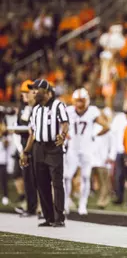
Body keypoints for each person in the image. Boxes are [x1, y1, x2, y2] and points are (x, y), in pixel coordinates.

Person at [20, 79, 69, 227]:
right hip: (38, 148)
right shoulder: (35, 109)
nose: (34, 92)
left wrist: (63, 135)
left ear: (47, 92)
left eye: (37, 89)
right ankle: (49, 217)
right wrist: (25, 152)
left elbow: (65, 123)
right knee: (41, 183)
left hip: (53, 147)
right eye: (33, 89)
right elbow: (33, 133)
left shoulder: (58, 105)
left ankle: (59, 217)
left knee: (57, 182)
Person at [64, 88, 109, 215]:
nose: (79, 104)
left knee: (85, 176)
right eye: (77, 101)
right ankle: (66, 202)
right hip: (72, 149)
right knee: (67, 177)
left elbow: (106, 126)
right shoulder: (69, 111)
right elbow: (60, 125)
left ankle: (83, 204)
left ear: (87, 101)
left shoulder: (92, 112)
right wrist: (64, 134)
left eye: (81, 101)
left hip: (86, 149)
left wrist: (94, 135)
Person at [10, 80, 39, 217]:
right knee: (27, 177)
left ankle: (42, 207)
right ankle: (30, 206)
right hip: (24, 146)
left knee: (39, 178)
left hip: (36, 146)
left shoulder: (38, 107)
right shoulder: (22, 107)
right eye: (24, 92)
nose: (26, 95)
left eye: (28, 92)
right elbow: (17, 129)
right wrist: (21, 149)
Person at [91, 107, 115, 209]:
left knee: (104, 181)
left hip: (103, 159)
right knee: (94, 181)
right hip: (93, 158)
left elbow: (113, 145)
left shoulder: (109, 128)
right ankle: (97, 198)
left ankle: (103, 200)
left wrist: (111, 156)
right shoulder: (94, 127)